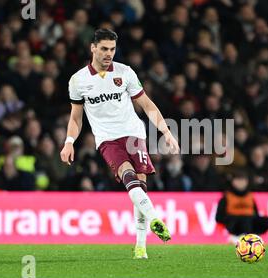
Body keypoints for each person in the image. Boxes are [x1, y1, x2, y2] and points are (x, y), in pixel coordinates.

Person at [60, 29, 180, 259]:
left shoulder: (125, 73)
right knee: (128, 177)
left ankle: (141, 247)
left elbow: (147, 104)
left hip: (134, 134)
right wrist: (69, 142)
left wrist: (166, 131)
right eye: (104, 48)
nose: (108, 54)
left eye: (112, 49)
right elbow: (76, 117)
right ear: (93, 48)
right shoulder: (78, 81)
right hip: (107, 139)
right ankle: (155, 218)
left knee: (140, 187)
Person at [215, 169, 268, 244]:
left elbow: (256, 213)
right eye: (238, 180)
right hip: (234, 225)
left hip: (250, 223)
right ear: (233, 181)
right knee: (245, 219)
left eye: (243, 180)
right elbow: (218, 217)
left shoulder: (249, 196)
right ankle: (242, 239)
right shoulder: (227, 197)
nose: (241, 183)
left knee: (267, 220)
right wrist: (230, 219)